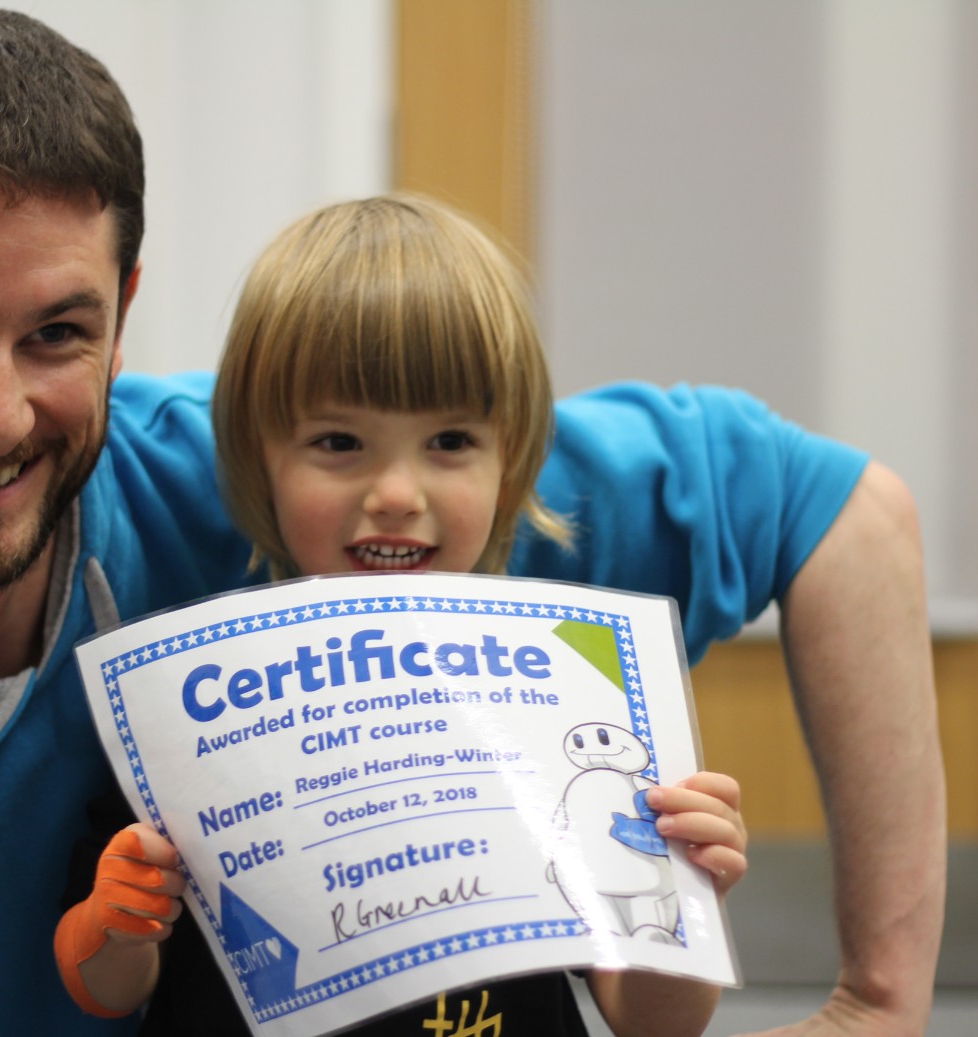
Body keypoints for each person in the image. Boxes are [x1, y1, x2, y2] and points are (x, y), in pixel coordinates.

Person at [0, 5, 941, 1037]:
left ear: (123, 316)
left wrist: (874, 1001)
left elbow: (838, 512)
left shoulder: (280, 483)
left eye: (56, 331)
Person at [54, 194, 751, 1036]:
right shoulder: (193, 694)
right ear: (258, 457)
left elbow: (652, 1022)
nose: (394, 493)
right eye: (338, 443)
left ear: (512, 458)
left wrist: (683, 888)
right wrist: (114, 915)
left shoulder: (564, 700)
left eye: (450, 441)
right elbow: (105, 988)